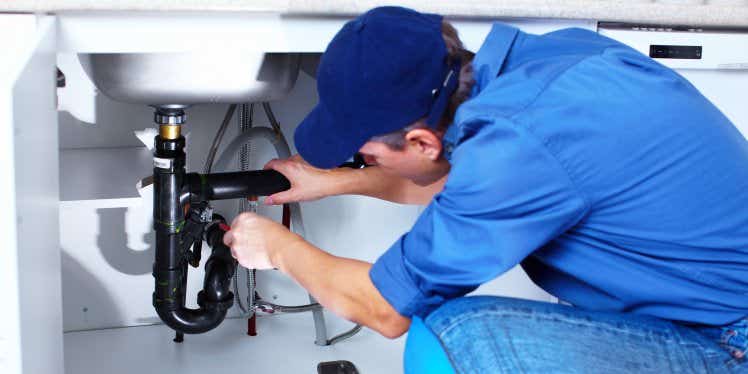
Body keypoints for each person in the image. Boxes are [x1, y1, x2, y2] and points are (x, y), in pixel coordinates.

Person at [223, 6, 748, 373]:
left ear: (422, 140)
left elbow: (384, 310)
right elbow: (466, 181)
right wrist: (330, 182)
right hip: (712, 311)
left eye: (366, 154)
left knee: (456, 336)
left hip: (731, 344)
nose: (361, 161)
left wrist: (277, 249)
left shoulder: (516, 147)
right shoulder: (548, 66)